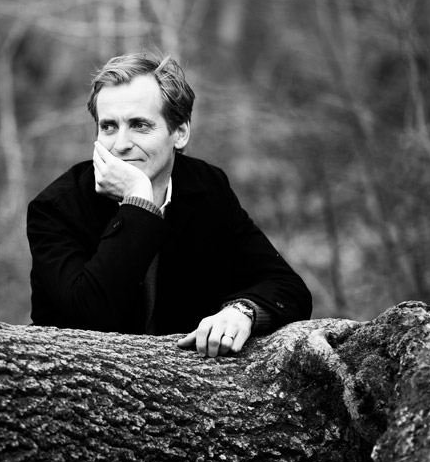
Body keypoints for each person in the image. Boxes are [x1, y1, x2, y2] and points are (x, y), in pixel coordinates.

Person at [26, 53, 311, 357]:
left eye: (139, 125)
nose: (120, 144)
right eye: (108, 126)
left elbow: (286, 286)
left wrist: (241, 312)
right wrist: (138, 203)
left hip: (184, 379)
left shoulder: (206, 187)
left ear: (180, 133)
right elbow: (90, 317)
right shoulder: (56, 208)